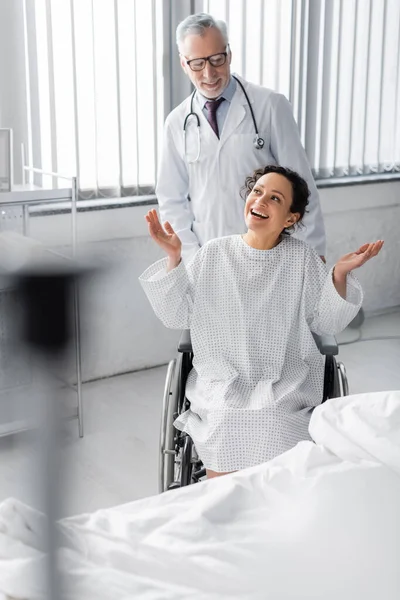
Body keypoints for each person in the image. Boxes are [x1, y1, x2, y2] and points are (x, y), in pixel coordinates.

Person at [139, 165, 383, 479]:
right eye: (257, 192)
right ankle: (225, 510)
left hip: (284, 379)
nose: (260, 201)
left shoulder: (302, 259)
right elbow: (175, 315)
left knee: (272, 418)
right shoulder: (214, 253)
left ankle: (268, 512)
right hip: (222, 379)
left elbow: (327, 321)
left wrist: (339, 274)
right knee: (226, 417)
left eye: (275, 198)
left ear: (290, 218)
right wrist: (174, 258)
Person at [156, 12, 327, 264]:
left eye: (216, 59)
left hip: (270, 253)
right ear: (184, 63)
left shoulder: (270, 106)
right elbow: (171, 200)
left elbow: (301, 187)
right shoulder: (176, 122)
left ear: (229, 54)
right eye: (197, 64)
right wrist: (191, 259)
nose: (209, 74)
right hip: (209, 257)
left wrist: (313, 256)